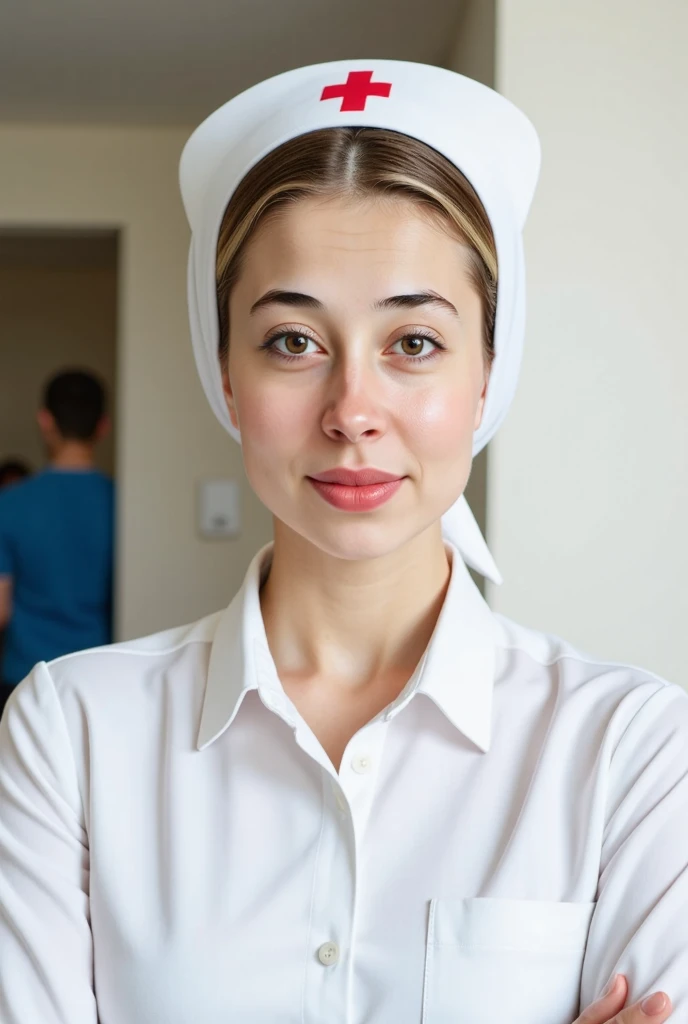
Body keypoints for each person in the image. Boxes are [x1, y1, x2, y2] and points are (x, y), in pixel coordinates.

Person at [0, 61, 684, 1024]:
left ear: (490, 372)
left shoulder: (631, 752)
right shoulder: (71, 735)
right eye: (292, 341)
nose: (353, 411)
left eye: (413, 343)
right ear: (225, 377)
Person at [0, 370, 114, 718]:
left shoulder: (10, 504)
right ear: (102, 426)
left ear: (45, 421)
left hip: (25, 681)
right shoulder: (125, 506)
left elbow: (1, 610)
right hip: (99, 677)